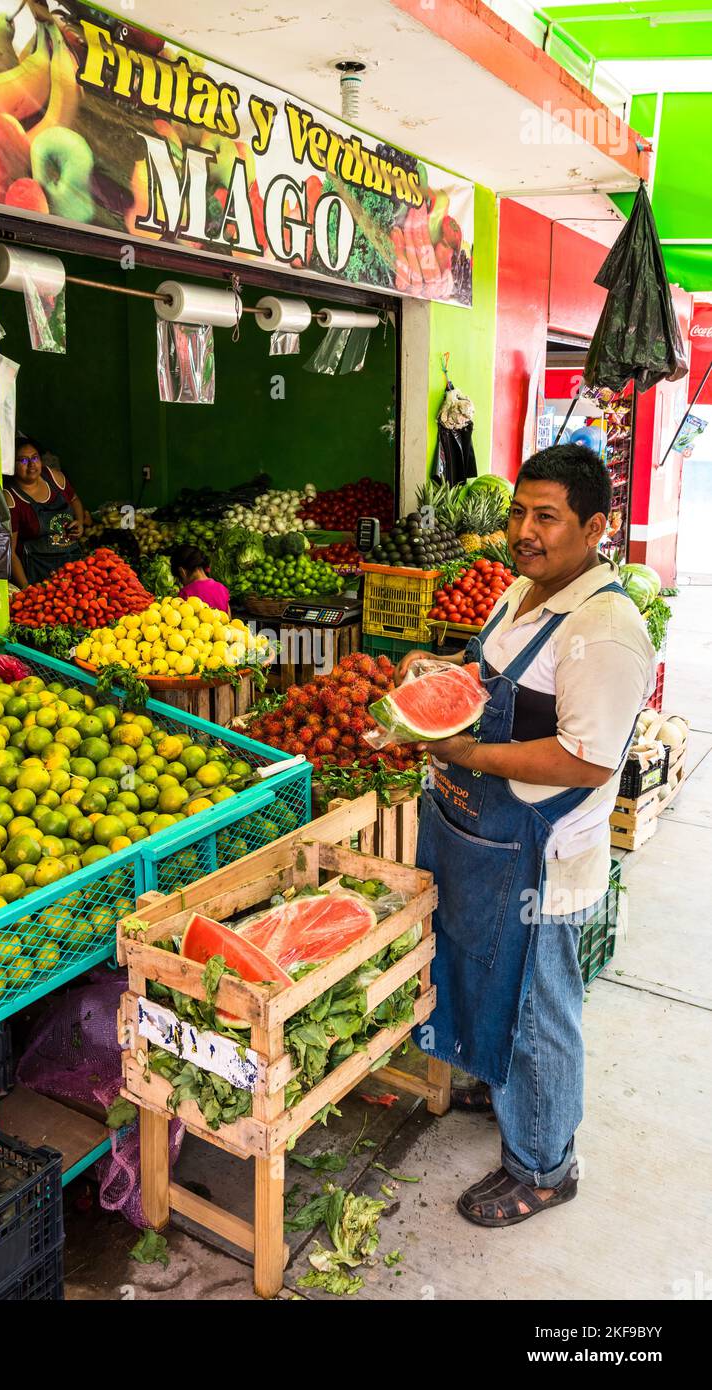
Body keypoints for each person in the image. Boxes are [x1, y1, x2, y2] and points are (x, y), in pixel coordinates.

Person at [396, 444, 656, 1227]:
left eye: (546, 517)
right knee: (486, 978)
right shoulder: (522, 593)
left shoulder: (603, 631)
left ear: (595, 527)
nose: (523, 531)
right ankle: (504, 1088)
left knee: (541, 1007)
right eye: (517, 512)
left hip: (543, 856)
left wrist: (468, 751)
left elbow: (583, 758)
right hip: (483, 838)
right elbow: (487, 679)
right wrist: (433, 668)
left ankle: (544, 1166)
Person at [4, 436, 86, 588]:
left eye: (34, 458)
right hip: (38, 574)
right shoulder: (11, 498)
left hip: (73, 566)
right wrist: (26, 590)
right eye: (22, 460)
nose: (31, 465)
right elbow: (11, 553)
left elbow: (74, 499)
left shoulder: (55, 478)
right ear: (12, 465)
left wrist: (80, 523)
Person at [171, 543, 230, 612]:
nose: (182, 583)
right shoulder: (222, 588)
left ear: (182, 572)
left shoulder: (185, 593)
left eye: (179, 579)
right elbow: (229, 619)